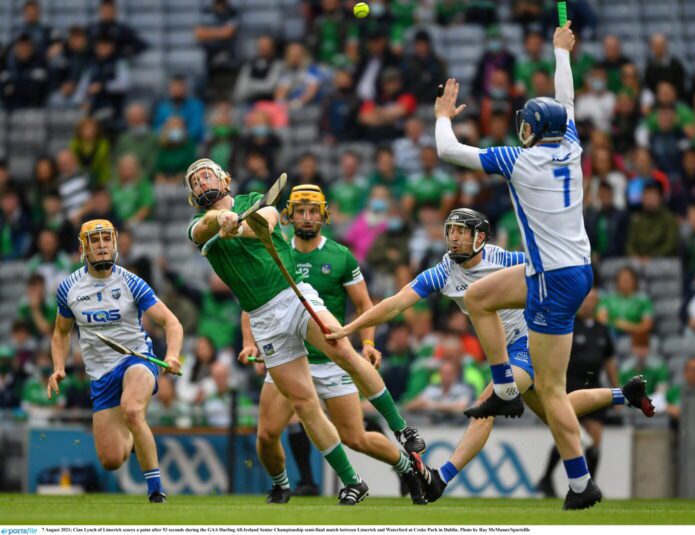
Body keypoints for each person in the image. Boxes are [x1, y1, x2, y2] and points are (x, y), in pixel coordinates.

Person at [326, 208, 653, 504]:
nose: (453, 238)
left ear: (480, 237)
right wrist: (349, 328)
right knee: (557, 411)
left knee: (490, 402)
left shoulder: (507, 261)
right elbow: (396, 303)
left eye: (461, 232)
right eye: (450, 231)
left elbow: (548, 278)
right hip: (505, 351)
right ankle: (624, 394)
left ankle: (440, 479)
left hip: (530, 341)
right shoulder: (443, 272)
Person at [429, 21, 601, 509]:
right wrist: (560, 53)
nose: (521, 129)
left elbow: (447, 150)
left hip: (551, 278)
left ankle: (578, 483)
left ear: (534, 131)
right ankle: (508, 391)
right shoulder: (570, 144)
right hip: (570, 269)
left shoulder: (519, 161)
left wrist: (443, 114)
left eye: (526, 124)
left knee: (549, 390)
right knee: (479, 296)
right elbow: (565, 102)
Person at [184, 159, 425, 505]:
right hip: (263, 318)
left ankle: (403, 429)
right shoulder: (196, 226)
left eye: (207, 174)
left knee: (343, 350)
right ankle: (352, 481)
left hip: (292, 295)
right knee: (303, 404)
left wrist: (236, 224)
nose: (202, 181)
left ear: (225, 179)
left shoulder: (251, 199)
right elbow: (203, 228)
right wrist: (217, 220)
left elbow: (265, 221)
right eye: (195, 180)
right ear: (192, 195)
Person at [46, 219, 183, 503]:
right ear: (83, 248)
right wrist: (58, 367)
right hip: (100, 374)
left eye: (106, 239)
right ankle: (134, 436)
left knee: (132, 410)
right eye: (95, 241)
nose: (102, 246)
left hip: (137, 359)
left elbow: (171, 322)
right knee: (111, 459)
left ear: (115, 243)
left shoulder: (131, 282)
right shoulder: (69, 288)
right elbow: (61, 332)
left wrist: (171, 355)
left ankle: (156, 491)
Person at [536, 288, 620, 497]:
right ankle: (546, 479)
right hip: (570, 385)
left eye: (593, 300)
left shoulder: (602, 330)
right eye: (586, 300)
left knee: (595, 438)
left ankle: (590, 483)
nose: (589, 304)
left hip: (594, 387)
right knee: (567, 434)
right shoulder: (568, 324)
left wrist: (615, 389)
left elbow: (610, 362)